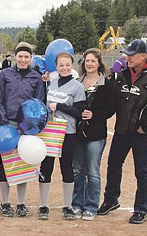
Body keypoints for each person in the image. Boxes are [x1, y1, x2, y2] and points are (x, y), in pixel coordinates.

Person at [97, 39, 147, 224]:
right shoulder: (123, 74)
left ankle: (141, 209)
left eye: (131, 55)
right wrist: (111, 77)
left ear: (143, 56)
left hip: (142, 134)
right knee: (113, 165)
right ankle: (111, 200)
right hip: (121, 130)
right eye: (126, 55)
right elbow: (111, 97)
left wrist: (146, 127)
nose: (127, 58)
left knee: (142, 171)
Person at [0, 42, 45, 217]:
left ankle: (21, 203)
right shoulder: (5, 74)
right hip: (8, 124)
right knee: (5, 165)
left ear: (31, 58)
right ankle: (5, 202)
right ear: (15, 56)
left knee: (24, 164)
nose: (23, 59)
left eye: (27, 57)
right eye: (20, 56)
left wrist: (30, 125)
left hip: (26, 127)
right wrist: (3, 123)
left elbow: (39, 103)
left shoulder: (36, 77)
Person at [38, 52, 86, 221]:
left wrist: (59, 106)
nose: (64, 68)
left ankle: (68, 206)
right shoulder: (51, 83)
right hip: (50, 131)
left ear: (71, 66)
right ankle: (44, 205)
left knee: (67, 167)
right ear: (56, 66)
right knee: (46, 167)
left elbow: (79, 113)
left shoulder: (77, 86)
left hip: (68, 132)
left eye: (67, 65)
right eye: (61, 65)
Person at [72, 48, 117, 221]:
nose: (89, 64)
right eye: (87, 61)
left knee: (92, 171)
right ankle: (77, 204)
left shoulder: (107, 83)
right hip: (78, 133)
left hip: (96, 134)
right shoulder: (77, 82)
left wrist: (95, 115)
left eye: (93, 61)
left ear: (99, 63)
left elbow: (111, 108)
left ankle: (91, 206)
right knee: (77, 171)